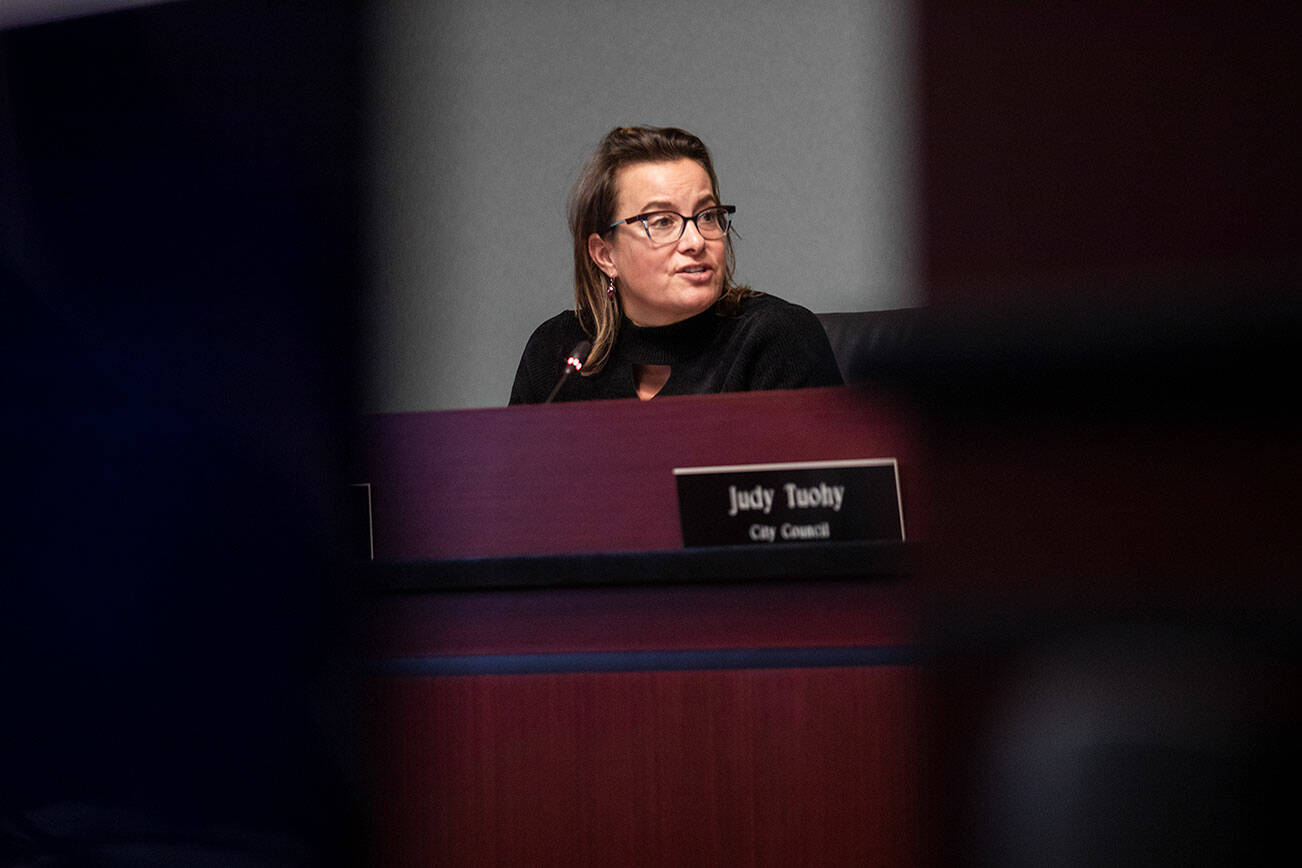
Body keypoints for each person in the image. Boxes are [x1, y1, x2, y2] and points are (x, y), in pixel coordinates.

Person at [508, 125, 843, 404]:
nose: (695, 241)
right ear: (605, 255)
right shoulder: (559, 353)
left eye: (707, 216)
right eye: (663, 222)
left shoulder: (775, 338)